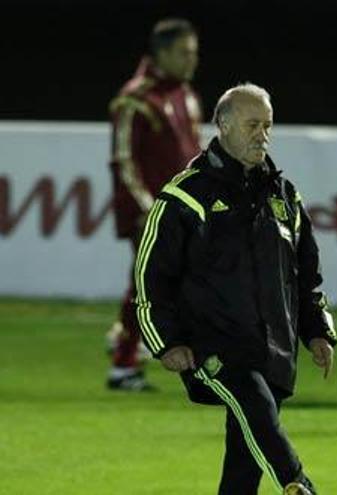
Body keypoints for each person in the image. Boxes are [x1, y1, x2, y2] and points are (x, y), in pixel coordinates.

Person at [135, 83, 337, 495]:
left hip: (274, 347)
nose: (261, 135)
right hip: (213, 346)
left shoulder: (284, 196)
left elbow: (306, 274)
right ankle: (299, 485)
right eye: (251, 125)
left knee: (245, 461)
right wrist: (166, 341)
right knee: (257, 410)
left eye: (267, 126)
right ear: (223, 125)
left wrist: (317, 330)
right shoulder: (185, 196)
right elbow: (151, 277)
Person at [106, 18, 202, 391]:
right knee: (151, 285)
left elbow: (193, 153)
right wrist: (147, 208)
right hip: (152, 212)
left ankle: (126, 343)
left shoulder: (186, 95)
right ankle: (123, 361)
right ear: (161, 53)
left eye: (194, 53)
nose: (192, 60)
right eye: (184, 53)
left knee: (165, 284)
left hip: (183, 211)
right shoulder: (135, 99)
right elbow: (124, 160)